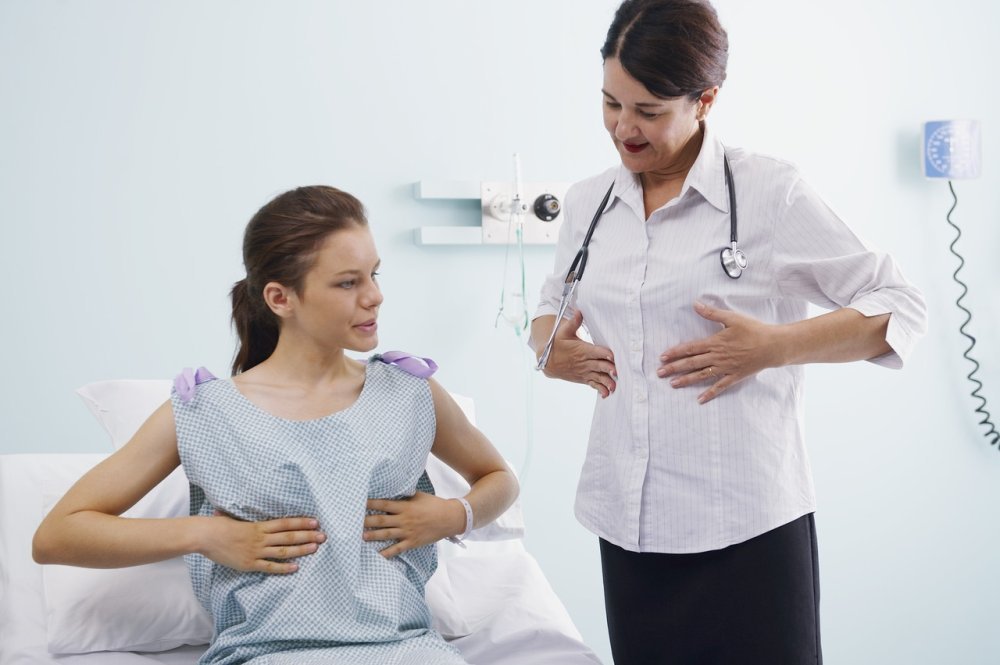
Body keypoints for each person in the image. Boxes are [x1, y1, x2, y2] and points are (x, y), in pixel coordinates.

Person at [530, 1, 927, 663]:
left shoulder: (771, 192)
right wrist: (551, 352)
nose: (623, 128)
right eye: (610, 102)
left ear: (705, 100)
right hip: (629, 525)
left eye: (648, 110)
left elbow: (900, 305)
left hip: (748, 528)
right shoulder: (588, 203)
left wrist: (773, 346)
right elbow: (552, 303)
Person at [34, 185, 519, 665]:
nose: (375, 297)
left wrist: (455, 515)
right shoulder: (205, 412)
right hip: (265, 654)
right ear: (280, 298)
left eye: (374, 275)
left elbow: (499, 479)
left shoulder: (410, 392)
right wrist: (204, 535)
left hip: (406, 650)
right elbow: (57, 535)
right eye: (347, 283)